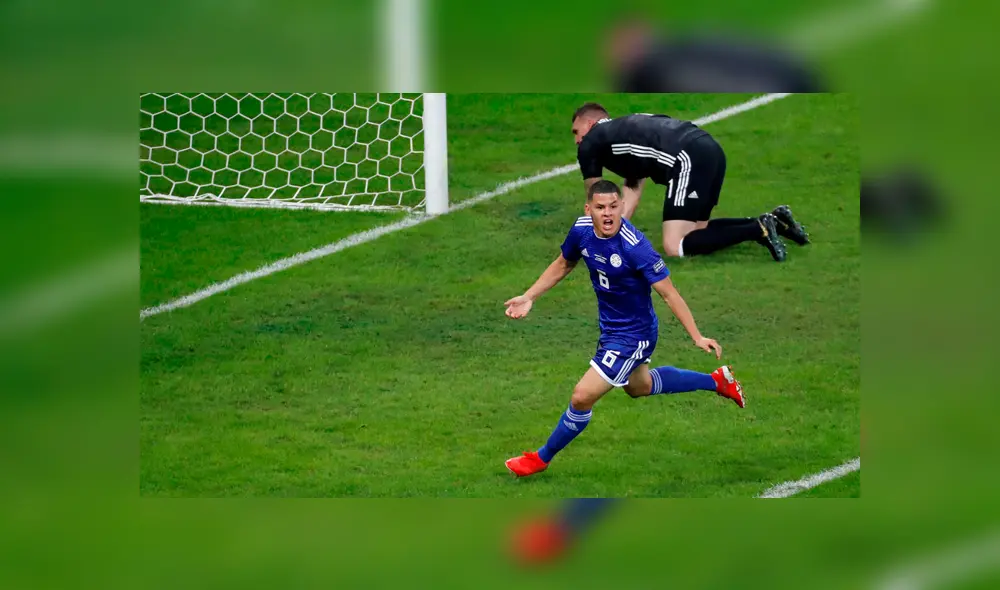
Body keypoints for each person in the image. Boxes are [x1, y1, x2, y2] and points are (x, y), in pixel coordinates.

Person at [503, 179, 744, 478]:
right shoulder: (581, 230)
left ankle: (540, 458)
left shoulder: (635, 247)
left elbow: (669, 293)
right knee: (638, 387)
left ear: (622, 207)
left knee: (581, 396)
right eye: (601, 208)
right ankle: (717, 381)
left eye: (614, 207)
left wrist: (697, 336)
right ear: (588, 209)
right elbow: (564, 263)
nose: (608, 214)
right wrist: (529, 296)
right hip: (611, 328)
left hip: (634, 335)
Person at [572, 102, 810, 262]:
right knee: (698, 233)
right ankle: (775, 222)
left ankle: (758, 228)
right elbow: (632, 189)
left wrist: (595, 241)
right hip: (709, 148)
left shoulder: (591, 142)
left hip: (685, 158)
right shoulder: (625, 133)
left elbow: (598, 197)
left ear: (590, 124)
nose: (576, 140)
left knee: (674, 246)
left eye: (576, 131)